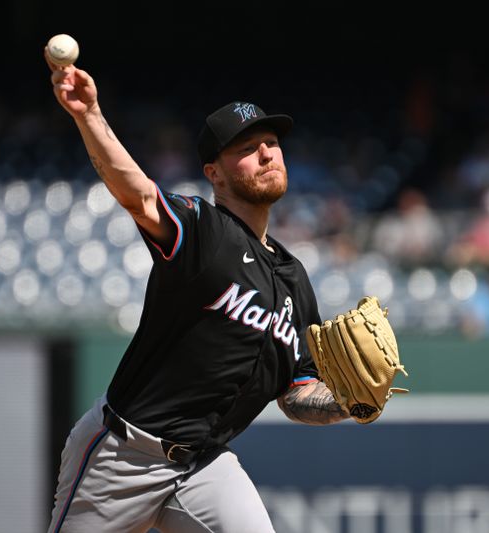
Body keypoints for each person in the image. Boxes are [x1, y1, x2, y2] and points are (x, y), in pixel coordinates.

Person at [44, 50, 349, 532]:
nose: (267, 152)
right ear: (214, 173)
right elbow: (140, 195)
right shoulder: (202, 231)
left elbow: (296, 391)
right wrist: (91, 116)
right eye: (247, 148)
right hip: (124, 455)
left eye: (272, 142)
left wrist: (346, 402)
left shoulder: (294, 279)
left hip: (203, 465)